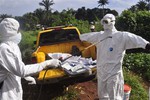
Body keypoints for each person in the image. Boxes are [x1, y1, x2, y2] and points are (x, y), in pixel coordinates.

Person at [80, 14, 150, 100]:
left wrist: (146, 45)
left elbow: (136, 39)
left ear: (112, 22)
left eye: (106, 22)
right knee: (103, 95)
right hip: (102, 72)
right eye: (104, 22)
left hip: (114, 74)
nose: (105, 24)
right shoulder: (99, 35)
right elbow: (86, 36)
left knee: (114, 95)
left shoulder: (122, 36)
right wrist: (78, 37)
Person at [0, 18, 61, 100]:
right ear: (11, 32)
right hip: (5, 93)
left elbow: (16, 68)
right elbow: (22, 70)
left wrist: (27, 77)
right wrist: (47, 63)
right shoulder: (4, 49)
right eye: (18, 30)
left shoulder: (13, 46)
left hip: (14, 89)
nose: (19, 33)